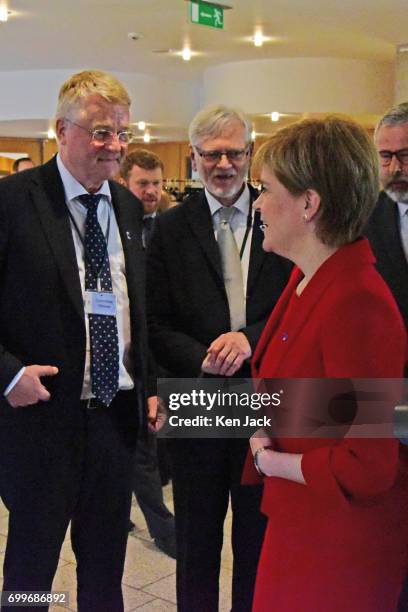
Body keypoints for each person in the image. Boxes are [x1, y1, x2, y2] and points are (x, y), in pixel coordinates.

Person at [0, 70, 158, 612]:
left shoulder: (129, 208)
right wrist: (8, 375)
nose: (114, 146)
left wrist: (153, 385)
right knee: (30, 568)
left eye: (122, 133)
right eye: (99, 133)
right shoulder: (13, 201)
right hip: (41, 419)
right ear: (61, 130)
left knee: (104, 566)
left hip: (114, 416)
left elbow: (140, 307)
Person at [244, 116, 408, 612]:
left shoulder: (356, 301)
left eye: (266, 189)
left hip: (340, 545)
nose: (257, 203)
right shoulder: (307, 282)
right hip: (304, 522)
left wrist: (269, 460)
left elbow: (369, 465)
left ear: (309, 204)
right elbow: (314, 407)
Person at [147, 105, 291, 611]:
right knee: (196, 539)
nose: (223, 164)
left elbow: (295, 301)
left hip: (262, 395)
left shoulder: (279, 213)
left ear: (251, 155)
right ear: (194, 158)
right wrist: (204, 357)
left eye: (234, 152)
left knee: (257, 536)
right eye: (212, 154)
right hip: (197, 396)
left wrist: (250, 338)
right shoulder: (169, 229)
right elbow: (156, 323)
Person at [119, 148, 176, 559]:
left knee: (151, 444)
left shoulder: (168, 229)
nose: (152, 191)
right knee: (142, 448)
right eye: (144, 183)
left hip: (163, 351)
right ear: (125, 183)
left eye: (157, 183)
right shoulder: (114, 225)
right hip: (126, 355)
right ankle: (163, 527)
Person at [367, 101, 408, 611]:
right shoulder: (362, 215)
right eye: (387, 157)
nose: (397, 169)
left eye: (407, 155)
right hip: (384, 394)